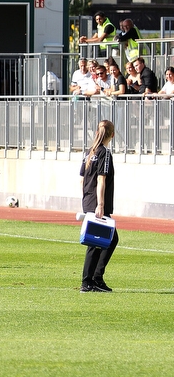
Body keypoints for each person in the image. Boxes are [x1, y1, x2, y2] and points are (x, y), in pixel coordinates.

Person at [80, 120, 117, 293]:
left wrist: (86, 200)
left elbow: (82, 178)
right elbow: (101, 178)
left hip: (88, 199)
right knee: (98, 242)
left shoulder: (89, 152)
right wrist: (100, 204)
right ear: (112, 135)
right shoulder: (104, 153)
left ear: (96, 132)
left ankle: (95, 279)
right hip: (97, 202)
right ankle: (90, 281)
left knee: (104, 240)